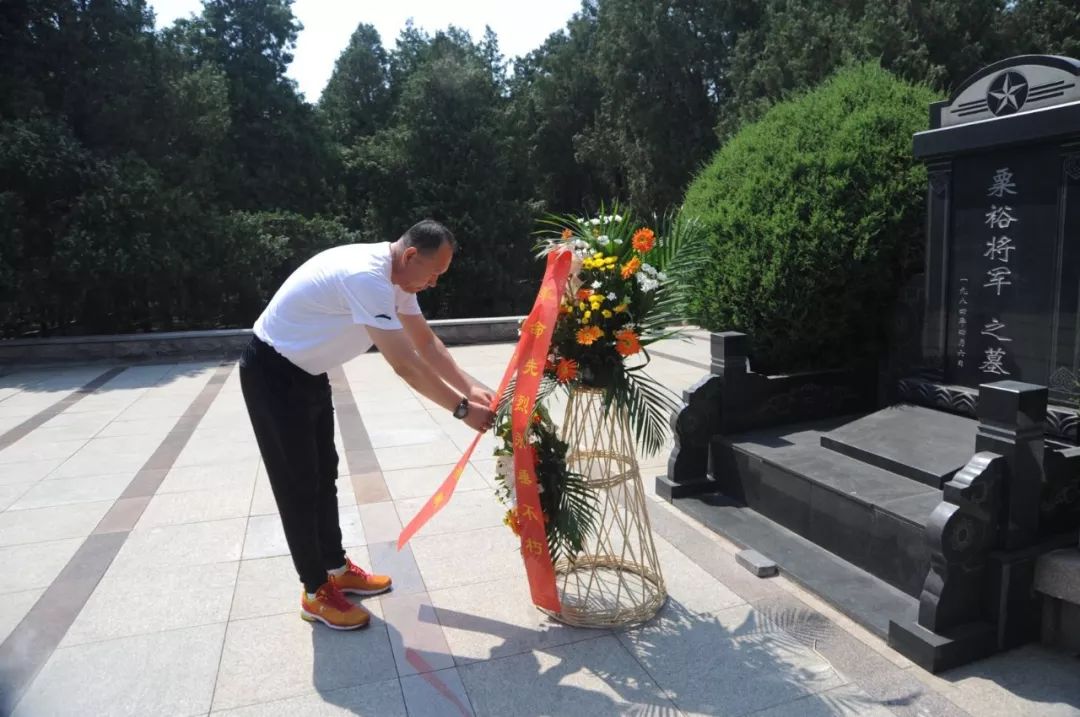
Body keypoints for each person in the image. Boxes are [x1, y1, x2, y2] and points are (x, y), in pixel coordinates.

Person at [239, 219, 496, 630]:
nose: (433, 284)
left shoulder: (399, 280)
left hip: (308, 373)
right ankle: (314, 592)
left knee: (325, 475)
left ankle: (335, 567)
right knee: (298, 485)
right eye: (433, 274)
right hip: (272, 373)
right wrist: (462, 410)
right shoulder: (368, 276)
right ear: (411, 255)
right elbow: (405, 365)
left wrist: (470, 386)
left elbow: (425, 343)